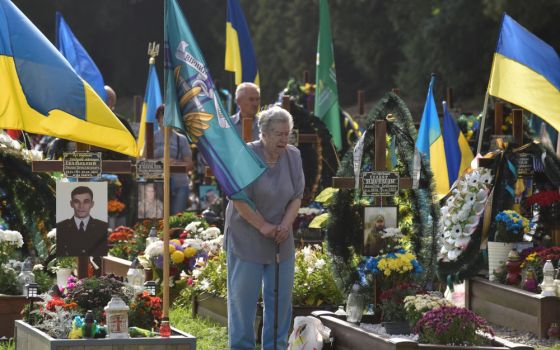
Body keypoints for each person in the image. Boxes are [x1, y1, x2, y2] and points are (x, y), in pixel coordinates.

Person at [224, 106, 304, 349]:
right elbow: (238, 198)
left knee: (280, 300)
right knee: (243, 300)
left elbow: (297, 196)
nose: (284, 139)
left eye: (287, 133)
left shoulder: (293, 155)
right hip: (247, 233)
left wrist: (284, 225)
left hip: (281, 235)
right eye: (278, 134)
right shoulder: (246, 155)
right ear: (264, 134)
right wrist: (264, 226)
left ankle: (276, 347)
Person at [154, 104, 193, 214]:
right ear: (158, 120)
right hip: (156, 186)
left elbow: (190, 165)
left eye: (169, 117)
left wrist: (176, 163)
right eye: (163, 117)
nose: (167, 120)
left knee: (177, 218)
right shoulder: (151, 138)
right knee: (156, 220)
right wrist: (160, 162)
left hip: (180, 185)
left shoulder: (182, 139)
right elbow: (142, 161)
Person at [56, 185, 108, 256]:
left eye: (86, 202)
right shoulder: (60, 227)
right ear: (71, 204)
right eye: (77, 202)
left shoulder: (103, 227)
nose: (81, 206)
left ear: (92, 204)